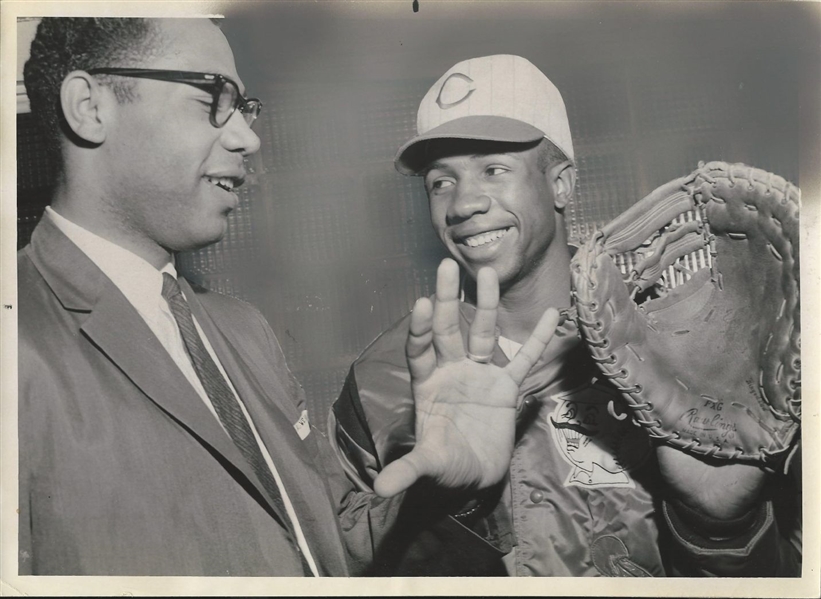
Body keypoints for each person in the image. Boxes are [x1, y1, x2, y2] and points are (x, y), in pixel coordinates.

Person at [18, 21, 559, 576]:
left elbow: (328, 547)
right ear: (89, 106)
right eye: (212, 98)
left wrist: (446, 491)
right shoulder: (19, 342)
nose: (248, 138)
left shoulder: (241, 330)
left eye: (243, 107)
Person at [330, 54, 802, 576]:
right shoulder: (383, 379)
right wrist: (449, 506)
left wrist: (717, 526)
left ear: (561, 184)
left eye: (494, 169)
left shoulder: (678, 346)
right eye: (440, 182)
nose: (462, 204)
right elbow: (340, 560)